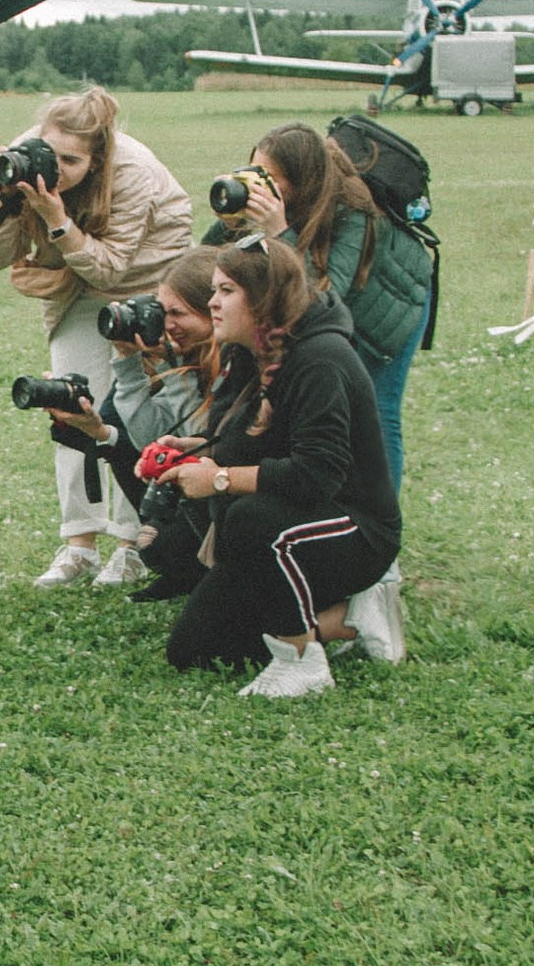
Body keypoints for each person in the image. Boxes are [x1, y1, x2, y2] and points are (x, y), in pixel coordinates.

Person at [213, 120, 429, 658]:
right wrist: (234, 224)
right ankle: (321, 526)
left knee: (377, 413)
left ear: (302, 179)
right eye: (254, 170)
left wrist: (279, 232)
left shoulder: (354, 211)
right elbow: (219, 265)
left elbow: (316, 294)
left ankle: (380, 563)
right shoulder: (263, 205)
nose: (261, 184)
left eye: (270, 176)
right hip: (336, 316)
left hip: (387, 312)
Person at [0, 86, 191, 588]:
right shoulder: (26, 157)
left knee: (131, 412)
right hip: (74, 284)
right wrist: (5, 198)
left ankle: (133, 543)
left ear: (98, 157)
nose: (58, 169)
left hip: (145, 279)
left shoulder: (133, 171)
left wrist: (54, 217)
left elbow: (110, 269)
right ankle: (79, 545)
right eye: (53, 154)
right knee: (68, 406)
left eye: (72, 161)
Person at [155, 236, 401, 697]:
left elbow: (316, 475)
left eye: (226, 290)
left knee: (250, 517)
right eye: (214, 290)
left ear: (263, 299)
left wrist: (219, 479)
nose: (212, 302)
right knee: (193, 649)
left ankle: (301, 660)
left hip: (355, 530)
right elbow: (246, 442)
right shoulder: (246, 350)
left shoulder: (321, 360)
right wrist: (195, 450)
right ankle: (349, 618)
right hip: (292, 523)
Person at [45, 246, 219, 600]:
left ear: (213, 309)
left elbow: (201, 436)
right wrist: (127, 363)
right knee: (156, 543)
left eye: (178, 313)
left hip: (231, 490)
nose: (166, 325)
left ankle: (206, 573)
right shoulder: (184, 353)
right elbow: (149, 437)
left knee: (164, 542)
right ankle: (188, 571)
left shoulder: (233, 357)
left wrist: (173, 368)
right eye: (162, 312)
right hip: (206, 491)